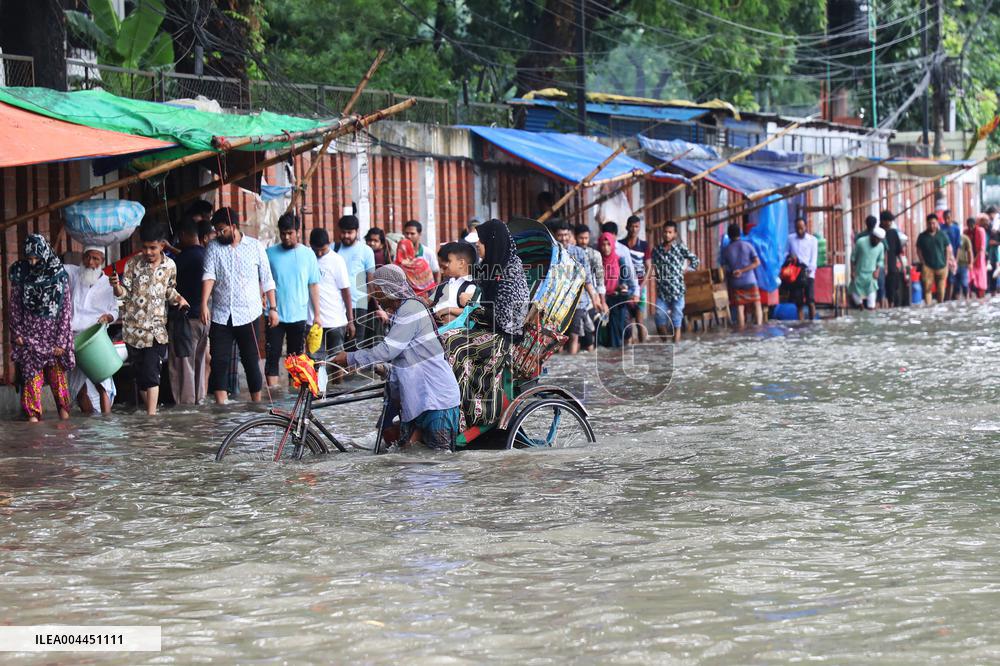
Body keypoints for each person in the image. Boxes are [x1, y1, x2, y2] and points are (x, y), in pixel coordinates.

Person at [332, 265, 462, 451]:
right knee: (408, 458)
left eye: (377, 290)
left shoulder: (410, 309)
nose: (375, 297)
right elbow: (405, 358)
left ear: (388, 289)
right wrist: (379, 368)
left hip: (436, 400)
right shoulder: (401, 312)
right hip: (419, 401)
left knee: (439, 460)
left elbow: (388, 351)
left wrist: (351, 357)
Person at [441, 219, 530, 430]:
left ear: (492, 242)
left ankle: (468, 415)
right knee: (444, 339)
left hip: (504, 337)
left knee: (456, 348)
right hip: (486, 328)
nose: (477, 245)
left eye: (481, 241)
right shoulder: (490, 267)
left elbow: (505, 319)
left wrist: (472, 306)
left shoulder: (511, 271)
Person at [111, 222, 188, 415]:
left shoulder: (170, 266)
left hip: (157, 332)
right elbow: (124, 295)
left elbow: (169, 290)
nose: (148, 252)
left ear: (162, 245)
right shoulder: (132, 264)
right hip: (133, 331)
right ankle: (152, 413)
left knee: (152, 374)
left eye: (152, 247)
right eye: (144, 247)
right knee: (142, 378)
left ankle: (151, 418)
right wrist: (116, 287)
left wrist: (179, 299)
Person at [201, 207, 276, 405]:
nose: (219, 234)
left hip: (249, 314)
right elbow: (209, 275)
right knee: (219, 361)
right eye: (217, 231)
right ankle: (222, 407)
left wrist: (273, 308)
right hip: (221, 314)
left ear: (234, 226)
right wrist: (204, 304)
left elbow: (267, 278)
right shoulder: (213, 247)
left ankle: (256, 405)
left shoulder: (255, 246)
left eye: (223, 230)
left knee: (251, 361)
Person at [10, 235, 75, 422]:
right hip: (29, 338)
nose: (33, 263)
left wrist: (61, 341)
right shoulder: (22, 275)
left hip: (54, 339)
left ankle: (65, 427)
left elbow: (65, 311)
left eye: (36, 259)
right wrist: (18, 333)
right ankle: (33, 428)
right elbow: (14, 307)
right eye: (29, 259)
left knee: (59, 385)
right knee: (31, 383)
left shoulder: (58, 275)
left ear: (44, 255)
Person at [264, 213, 321, 388]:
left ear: (298, 231)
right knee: (272, 356)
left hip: (298, 315)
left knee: (295, 360)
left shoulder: (308, 254)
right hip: (274, 315)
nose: (286, 237)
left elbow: (313, 285)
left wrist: (317, 315)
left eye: (290, 233)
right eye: (283, 233)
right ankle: (273, 393)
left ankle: (292, 396)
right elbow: (263, 281)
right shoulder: (269, 253)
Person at [66, 245, 118, 414]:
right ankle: (89, 421)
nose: (90, 262)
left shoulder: (108, 283)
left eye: (95, 258)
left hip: (96, 339)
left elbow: (115, 311)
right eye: (87, 257)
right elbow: (55, 267)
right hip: (74, 339)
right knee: (78, 389)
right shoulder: (74, 274)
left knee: (103, 385)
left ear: (102, 261)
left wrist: (107, 317)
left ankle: (106, 421)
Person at [167, 218, 210, 405]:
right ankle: (199, 401)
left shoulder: (182, 259)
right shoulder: (206, 255)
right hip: (204, 320)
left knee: (183, 366)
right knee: (199, 364)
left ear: (183, 235)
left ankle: (186, 409)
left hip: (185, 321)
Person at [550, 221, 603, 354]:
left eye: (566, 235)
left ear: (570, 235)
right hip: (557, 302)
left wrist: (595, 299)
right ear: (555, 236)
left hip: (578, 301)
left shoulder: (578, 253)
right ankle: (563, 364)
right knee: (557, 339)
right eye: (560, 235)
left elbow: (587, 278)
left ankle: (573, 363)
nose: (564, 238)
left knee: (574, 335)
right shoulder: (552, 253)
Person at [309, 227, 355, 374]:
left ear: (329, 244)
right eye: (316, 250)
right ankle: (318, 388)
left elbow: (346, 291)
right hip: (313, 321)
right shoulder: (308, 258)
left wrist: (350, 320)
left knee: (337, 362)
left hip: (335, 320)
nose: (319, 254)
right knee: (315, 362)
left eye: (322, 250)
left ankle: (338, 388)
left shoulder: (337, 260)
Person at [651, 220, 700, 342]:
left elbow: (695, 260)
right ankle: (666, 344)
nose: (667, 235)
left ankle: (676, 346)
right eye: (665, 232)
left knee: (676, 320)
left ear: (675, 234)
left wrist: (686, 270)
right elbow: (652, 266)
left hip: (677, 291)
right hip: (662, 292)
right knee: (659, 316)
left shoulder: (680, 248)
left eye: (670, 232)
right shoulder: (656, 250)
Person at [336, 215, 377, 350]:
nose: (346, 236)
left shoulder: (366, 251)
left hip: (359, 306)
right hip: (337, 306)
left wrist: (363, 301)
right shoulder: (333, 249)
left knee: (356, 347)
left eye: (350, 232)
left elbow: (371, 282)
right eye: (343, 232)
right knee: (336, 347)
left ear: (357, 231)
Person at [721, 223, 762, 329]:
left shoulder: (726, 250)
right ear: (740, 233)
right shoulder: (748, 246)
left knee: (740, 307)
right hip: (750, 281)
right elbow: (757, 262)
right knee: (757, 304)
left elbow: (724, 268)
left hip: (736, 282)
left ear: (729, 235)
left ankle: (741, 330)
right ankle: (759, 328)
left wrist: (734, 273)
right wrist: (743, 270)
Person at [599, 231, 637, 347]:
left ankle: (619, 354)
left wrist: (624, 287)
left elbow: (627, 280)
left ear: (613, 245)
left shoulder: (620, 260)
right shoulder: (597, 261)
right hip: (602, 301)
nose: (606, 248)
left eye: (608, 244)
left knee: (621, 329)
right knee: (604, 332)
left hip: (618, 300)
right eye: (603, 245)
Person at [574, 224, 605, 351]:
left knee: (588, 336)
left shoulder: (594, 255)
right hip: (574, 299)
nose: (583, 241)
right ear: (575, 237)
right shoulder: (570, 252)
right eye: (581, 238)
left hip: (591, 300)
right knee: (575, 336)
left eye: (586, 238)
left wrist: (601, 300)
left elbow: (600, 279)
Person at [431, 242, 478, 325]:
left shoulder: (470, 286)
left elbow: (474, 311)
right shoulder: (446, 283)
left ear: (461, 263)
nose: (441, 271)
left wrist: (450, 310)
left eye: (445, 267)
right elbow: (433, 302)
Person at [622, 215, 652, 343]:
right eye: (632, 226)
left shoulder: (644, 245)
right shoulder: (621, 245)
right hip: (624, 288)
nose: (634, 229)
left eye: (637, 227)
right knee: (627, 322)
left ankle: (642, 349)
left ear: (639, 228)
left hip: (640, 288)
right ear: (627, 227)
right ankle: (627, 349)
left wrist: (641, 287)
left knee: (639, 321)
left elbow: (649, 268)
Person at [916, 212, 952, 305]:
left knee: (941, 290)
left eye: (934, 223)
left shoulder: (942, 235)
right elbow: (918, 249)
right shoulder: (922, 236)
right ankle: (928, 308)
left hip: (942, 266)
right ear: (927, 224)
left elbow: (947, 249)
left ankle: (940, 306)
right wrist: (922, 261)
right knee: (927, 289)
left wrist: (947, 263)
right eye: (930, 223)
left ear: (937, 223)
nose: (932, 225)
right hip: (927, 267)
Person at [787, 216, 818, 321]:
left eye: (802, 228)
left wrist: (809, 271)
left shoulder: (813, 240)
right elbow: (786, 253)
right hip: (796, 273)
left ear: (806, 227)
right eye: (798, 228)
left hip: (809, 273)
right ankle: (800, 322)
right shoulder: (790, 239)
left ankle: (812, 322)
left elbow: (813, 259)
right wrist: (790, 258)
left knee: (810, 301)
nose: (800, 231)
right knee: (799, 302)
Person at [849, 225, 886, 310]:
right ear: (872, 236)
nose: (877, 241)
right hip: (859, 273)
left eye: (879, 240)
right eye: (876, 239)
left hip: (871, 276)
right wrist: (852, 271)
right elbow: (853, 258)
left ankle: (870, 313)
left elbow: (880, 260)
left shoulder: (881, 246)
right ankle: (860, 307)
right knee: (855, 295)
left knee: (871, 303)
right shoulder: (860, 242)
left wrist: (877, 270)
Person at [880, 211, 905, 307]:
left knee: (892, 289)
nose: (889, 223)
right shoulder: (878, 233)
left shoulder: (893, 233)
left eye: (890, 221)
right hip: (880, 266)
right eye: (887, 221)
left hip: (892, 266)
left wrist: (902, 265)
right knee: (881, 290)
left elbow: (898, 251)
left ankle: (891, 305)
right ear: (882, 221)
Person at [942, 209, 961, 300]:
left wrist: (956, 260)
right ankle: (944, 298)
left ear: (951, 217)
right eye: (945, 218)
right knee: (944, 278)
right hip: (943, 257)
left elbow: (958, 246)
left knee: (952, 278)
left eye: (948, 218)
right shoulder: (941, 228)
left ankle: (949, 298)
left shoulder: (956, 229)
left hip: (953, 257)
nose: (947, 220)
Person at [969, 214, 989, 298]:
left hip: (979, 259)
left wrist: (974, 260)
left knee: (980, 279)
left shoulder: (980, 231)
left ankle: (980, 294)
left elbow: (981, 248)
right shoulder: (971, 231)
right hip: (975, 258)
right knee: (974, 278)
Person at [954, 218, 974, 300]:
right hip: (953, 264)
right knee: (956, 285)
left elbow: (969, 251)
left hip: (963, 264)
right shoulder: (949, 238)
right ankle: (957, 299)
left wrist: (970, 263)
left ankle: (967, 299)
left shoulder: (964, 238)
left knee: (964, 283)